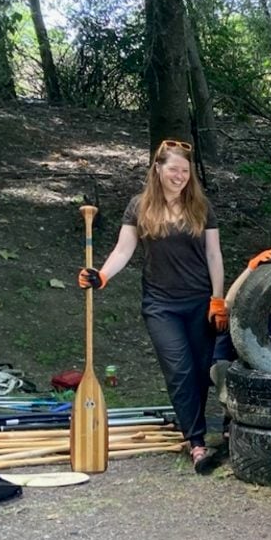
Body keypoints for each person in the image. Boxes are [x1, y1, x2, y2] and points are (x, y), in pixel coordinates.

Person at [78, 138, 225, 472]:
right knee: (179, 369)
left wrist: (218, 298)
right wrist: (101, 276)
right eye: (173, 169)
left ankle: (193, 430)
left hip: (200, 300)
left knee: (200, 372)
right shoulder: (140, 206)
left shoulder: (201, 206)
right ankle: (198, 443)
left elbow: (214, 255)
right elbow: (123, 250)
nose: (180, 176)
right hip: (161, 304)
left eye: (185, 170)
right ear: (157, 169)